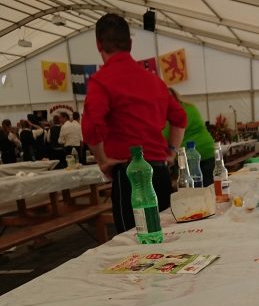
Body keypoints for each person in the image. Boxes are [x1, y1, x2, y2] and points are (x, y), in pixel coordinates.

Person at [82, 13, 186, 232]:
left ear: (98, 45)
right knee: (167, 235)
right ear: (130, 44)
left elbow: (92, 125)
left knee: (133, 242)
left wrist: (102, 161)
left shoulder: (101, 81)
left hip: (129, 175)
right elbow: (180, 118)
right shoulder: (155, 80)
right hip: (159, 173)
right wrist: (172, 152)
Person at [163, 88, 215, 187]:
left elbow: (165, 135)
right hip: (208, 150)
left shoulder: (173, 114)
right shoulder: (190, 107)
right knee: (211, 186)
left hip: (188, 156)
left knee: (191, 189)